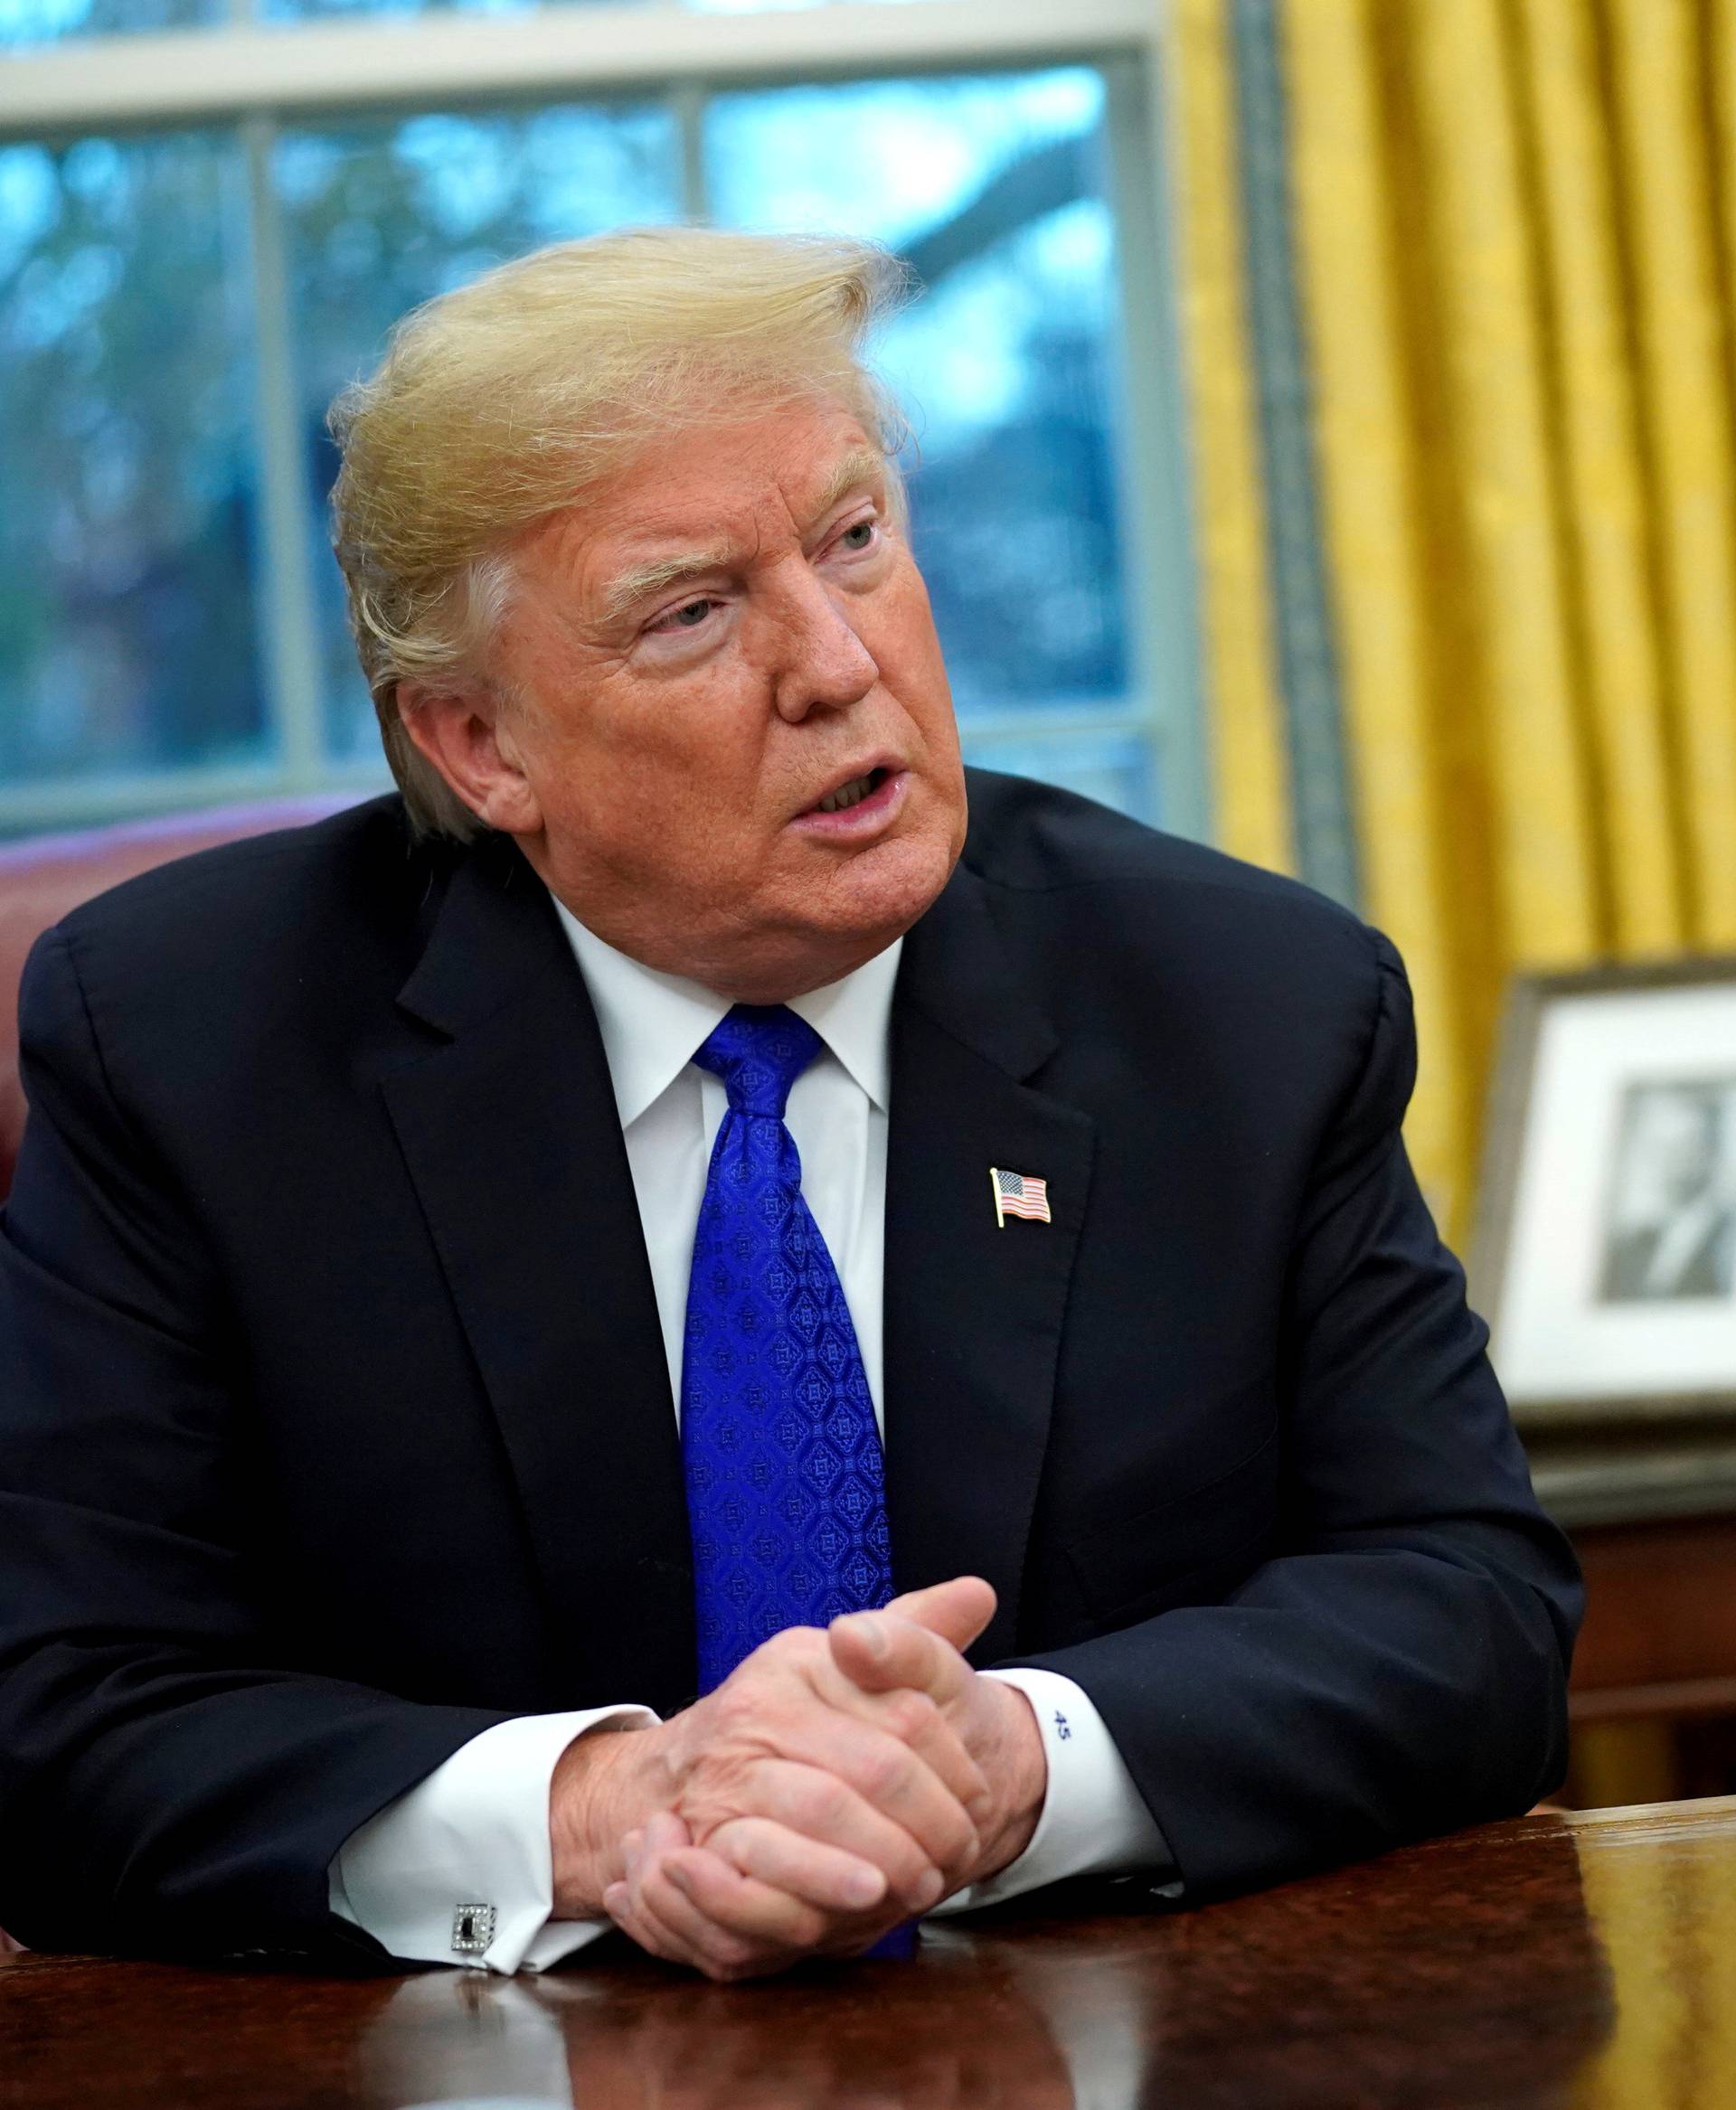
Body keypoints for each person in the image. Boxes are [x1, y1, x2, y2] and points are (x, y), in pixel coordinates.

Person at [0, 229, 1580, 1983]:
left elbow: (1470, 1610)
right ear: (478, 744)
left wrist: (1015, 1766)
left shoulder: (1244, 1007)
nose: (836, 664)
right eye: (693, 612)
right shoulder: (193, 1047)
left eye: (853, 540)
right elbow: (63, 1707)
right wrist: (604, 1809)